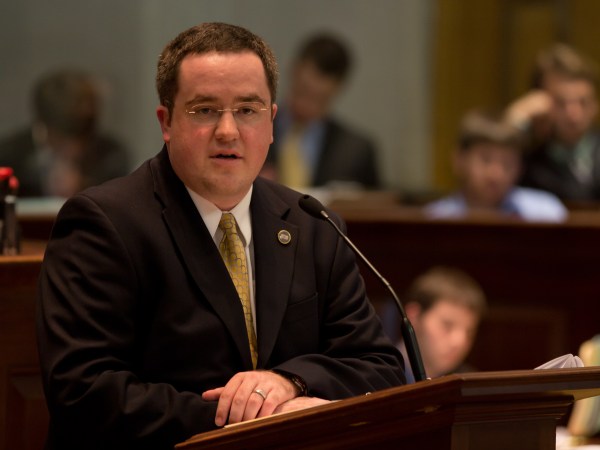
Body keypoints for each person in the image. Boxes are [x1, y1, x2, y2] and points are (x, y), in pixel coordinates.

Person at [36, 22, 405, 449]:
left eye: (247, 110)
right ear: (166, 122)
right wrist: (255, 419)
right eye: (205, 110)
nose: (228, 131)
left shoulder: (314, 225)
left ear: (271, 122)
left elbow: (379, 367)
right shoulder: (104, 223)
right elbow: (83, 392)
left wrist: (290, 381)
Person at [261, 32, 380, 189]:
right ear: (294, 71)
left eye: (319, 99)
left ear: (338, 89)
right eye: (303, 91)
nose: (307, 106)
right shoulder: (254, 129)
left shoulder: (356, 151)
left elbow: (375, 202)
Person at [0, 69, 130, 197]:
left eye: (82, 137)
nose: (73, 149)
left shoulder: (111, 157)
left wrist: (85, 187)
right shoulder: (8, 157)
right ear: (43, 125)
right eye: (62, 140)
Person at [425, 109, 568, 222]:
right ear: (459, 160)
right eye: (485, 160)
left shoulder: (546, 214)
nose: (496, 174)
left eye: (507, 163)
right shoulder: (434, 220)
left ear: (520, 168)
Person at [504, 43, 600, 202]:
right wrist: (515, 119)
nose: (574, 114)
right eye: (561, 102)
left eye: (583, 102)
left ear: (595, 105)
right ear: (539, 103)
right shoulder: (525, 161)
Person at [382, 266, 487, 383]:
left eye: (470, 332)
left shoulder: (471, 382)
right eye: (447, 325)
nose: (459, 342)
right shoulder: (375, 375)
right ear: (413, 316)